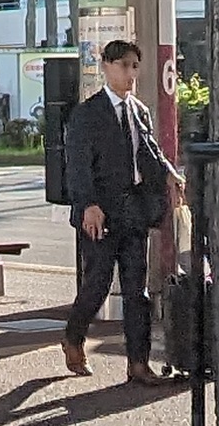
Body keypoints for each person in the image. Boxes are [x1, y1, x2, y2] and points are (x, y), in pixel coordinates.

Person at [61, 41, 168, 383]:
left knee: (137, 292)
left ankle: (138, 364)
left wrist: (170, 176)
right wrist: (87, 205)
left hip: (134, 210)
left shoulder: (139, 111)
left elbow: (150, 154)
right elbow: (77, 166)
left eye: (135, 65)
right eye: (124, 65)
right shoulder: (87, 114)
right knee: (98, 283)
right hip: (101, 213)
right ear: (106, 66)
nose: (131, 73)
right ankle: (73, 337)